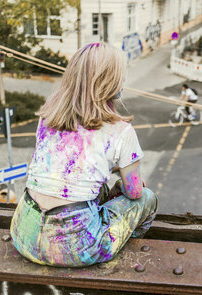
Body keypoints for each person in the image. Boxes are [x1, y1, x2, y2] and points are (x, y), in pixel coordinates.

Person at [10, 42, 157, 267]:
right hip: (76, 248)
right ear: (109, 82)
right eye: (120, 77)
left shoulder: (47, 118)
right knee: (147, 198)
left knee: (102, 189)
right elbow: (135, 192)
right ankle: (126, 244)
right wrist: (124, 183)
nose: (123, 83)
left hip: (24, 235)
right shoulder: (121, 131)